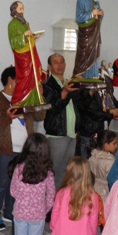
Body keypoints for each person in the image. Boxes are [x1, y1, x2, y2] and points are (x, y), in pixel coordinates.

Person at [0, 66, 44, 231]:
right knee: (1, 182)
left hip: (24, 149)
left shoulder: (25, 98)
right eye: (20, 79)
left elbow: (40, 115)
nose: (23, 82)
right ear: (11, 80)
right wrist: (7, 117)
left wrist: (39, 96)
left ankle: (9, 213)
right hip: (3, 148)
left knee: (16, 183)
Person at [8, 133, 56, 235]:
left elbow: (13, 191)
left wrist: (23, 202)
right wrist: (44, 209)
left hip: (20, 214)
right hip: (37, 217)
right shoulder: (48, 173)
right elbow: (51, 196)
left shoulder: (18, 168)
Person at [43, 53, 81, 189]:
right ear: (49, 67)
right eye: (55, 62)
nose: (59, 65)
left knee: (66, 172)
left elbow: (78, 106)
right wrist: (65, 92)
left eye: (62, 62)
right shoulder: (47, 85)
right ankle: (48, 200)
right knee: (52, 171)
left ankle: (59, 199)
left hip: (71, 133)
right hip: (57, 134)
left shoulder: (68, 82)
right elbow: (53, 108)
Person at [7, 1, 46, 107]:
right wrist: (24, 35)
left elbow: (28, 39)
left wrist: (33, 37)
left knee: (33, 75)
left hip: (30, 53)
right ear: (14, 11)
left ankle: (33, 100)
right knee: (25, 76)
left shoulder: (25, 24)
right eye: (20, 9)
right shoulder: (12, 25)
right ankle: (19, 101)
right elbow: (14, 42)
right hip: (22, 56)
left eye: (23, 9)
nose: (22, 11)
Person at [77, 86, 118, 159]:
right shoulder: (87, 88)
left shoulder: (105, 85)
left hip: (101, 130)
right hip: (90, 131)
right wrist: (111, 115)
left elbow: (114, 101)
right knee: (87, 159)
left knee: (100, 158)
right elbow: (94, 113)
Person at [73, 0, 104, 77]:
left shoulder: (95, 2)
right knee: (85, 52)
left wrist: (100, 14)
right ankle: (81, 73)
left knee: (94, 51)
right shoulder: (81, 0)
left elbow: (97, 18)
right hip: (86, 32)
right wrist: (92, 13)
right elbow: (79, 18)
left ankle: (93, 75)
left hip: (94, 31)